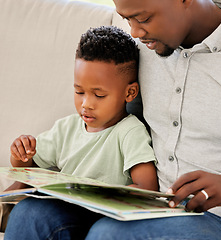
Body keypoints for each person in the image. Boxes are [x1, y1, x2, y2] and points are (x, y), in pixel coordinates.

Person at [5, 0, 221, 239]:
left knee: (111, 234)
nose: (134, 32)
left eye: (143, 19)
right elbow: (116, 122)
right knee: (32, 215)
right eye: (127, 19)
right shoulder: (143, 50)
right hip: (144, 207)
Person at [5, 25, 158, 239]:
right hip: (65, 215)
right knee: (26, 212)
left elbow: (147, 188)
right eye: (79, 92)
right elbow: (29, 167)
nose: (86, 104)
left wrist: (98, 195)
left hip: (104, 219)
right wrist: (20, 153)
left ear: (129, 92)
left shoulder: (129, 131)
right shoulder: (66, 127)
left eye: (99, 95)